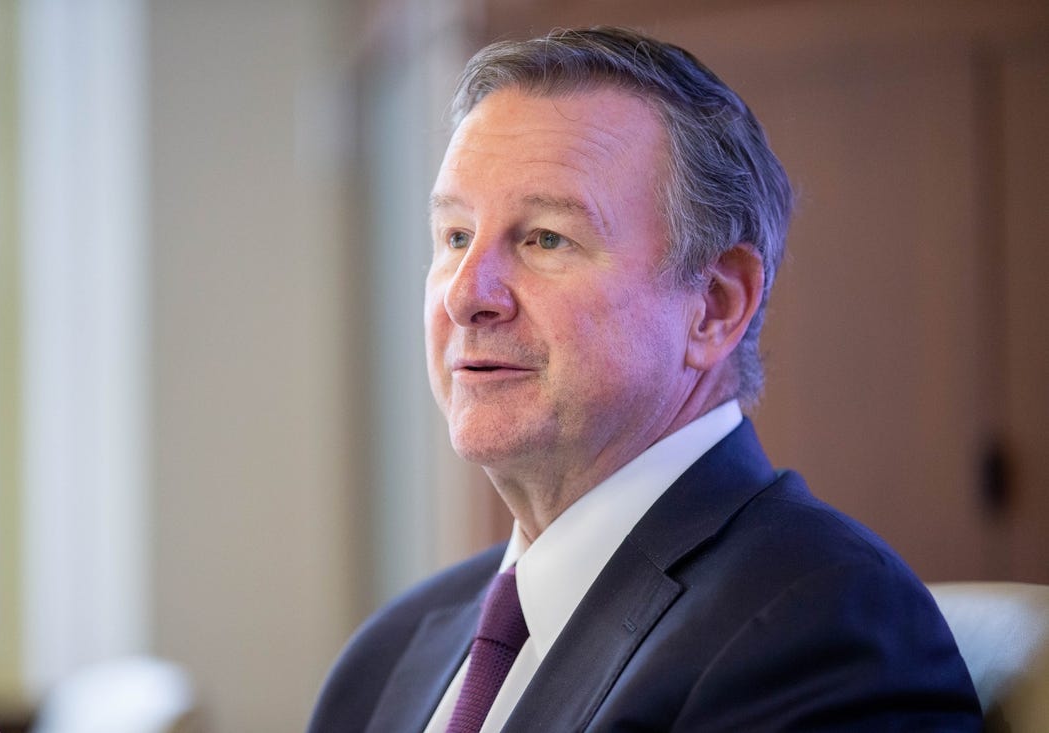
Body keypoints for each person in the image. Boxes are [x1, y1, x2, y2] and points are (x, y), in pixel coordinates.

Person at [308, 26, 982, 732]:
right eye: (454, 236)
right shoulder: (386, 657)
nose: (466, 293)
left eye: (544, 237)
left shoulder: (824, 625)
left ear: (715, 305)